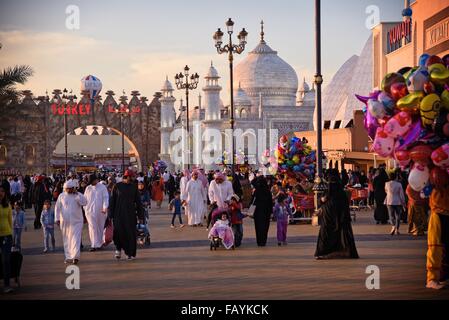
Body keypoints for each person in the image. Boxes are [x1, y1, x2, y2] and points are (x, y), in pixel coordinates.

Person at [315, 175, 359, 259]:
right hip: (338, 219)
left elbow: (320, 202)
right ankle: (339, 252)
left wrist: (321, 200)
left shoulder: (329, 192)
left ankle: (324, 252)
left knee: (326, 235)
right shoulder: (341, 193)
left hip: (330, 219)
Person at [109, 170, 144, 260]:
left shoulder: (134, 187)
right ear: (127, 177)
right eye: (132, 177)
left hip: (130, 215)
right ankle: (118, 250)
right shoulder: (117, 186)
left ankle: (129, 253)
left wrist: (141, 216)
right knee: (118, 233)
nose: (133, 178)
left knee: (130, 234)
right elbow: (112, 202)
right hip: (118, 215)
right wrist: (110, 215)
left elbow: (139, 203)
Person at [426, 169, 449, 289]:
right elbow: (424, 192)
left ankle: (443, 276)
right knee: (435, 247)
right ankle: (432, 279)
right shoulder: (431, 175)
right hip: (438, 215)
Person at [55, 180, 87, 264]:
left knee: (76, 239)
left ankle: (75, 257)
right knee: (67, 240)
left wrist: (77, 194)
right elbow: (57, 208)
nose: (68, 190)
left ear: (73, 188)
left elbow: (84, 202)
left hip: (77, 221)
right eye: (66, 189)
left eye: (69, 189)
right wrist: (57, 219)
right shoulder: (61, 196)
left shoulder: (78, 195)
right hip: (65, 222)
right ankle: (68, 256)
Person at [83, 174, 109, 252]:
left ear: (96, 180)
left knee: (100, 227)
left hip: (101, 211)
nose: (92, 183)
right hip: (89, 211)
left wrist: (105, 207)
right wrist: (85, 209)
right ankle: (94, 245)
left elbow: (105, 198)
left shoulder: (102, 187)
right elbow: (85, 199)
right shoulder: (88, 188)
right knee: (92, 227)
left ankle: (99, 243)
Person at [251, 175, 273, 247]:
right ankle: (263, 241)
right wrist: (271, 212)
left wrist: (257, 177)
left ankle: (259, 241)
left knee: (258, 227)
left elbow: (252, 201)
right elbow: (270, 203)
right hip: (266, 212)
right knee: (265, 227)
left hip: (257, 212)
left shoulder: (257, 191)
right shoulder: (268, 191)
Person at [0, 186, 13, 293]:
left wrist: (11, 235)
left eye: (2, 191)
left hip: (6, 235)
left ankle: (7, 285)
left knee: (6, 260)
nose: (1, 193)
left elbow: (10, 221)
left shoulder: (7, 205)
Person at [385, 171, 406, 235]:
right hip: (398, 201)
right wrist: (403, 202)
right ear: (395, 177)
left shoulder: (387, 184)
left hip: (389, 201)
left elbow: (386, 191)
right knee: (398, 216)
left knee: (391, 215)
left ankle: (393, 226)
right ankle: (397, 229)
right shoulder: (399, 184)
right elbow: (401, 194)